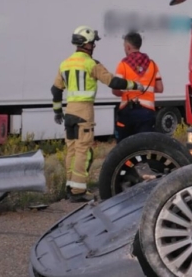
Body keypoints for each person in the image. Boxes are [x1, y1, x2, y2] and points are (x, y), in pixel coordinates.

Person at [52, 26, 149, 202]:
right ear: (86, 44)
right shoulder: (91, 64)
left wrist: (57, 110)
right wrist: (135, 85)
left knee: (72, 151)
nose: (94, 45)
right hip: (84, 112)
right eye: (93, 42)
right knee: (84, 151)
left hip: (70, 112)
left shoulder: (65, 63)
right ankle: (79, 191)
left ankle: (70, 187)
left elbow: (56, 89)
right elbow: (112, 81)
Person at [113, 31, 164, 139]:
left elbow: (115, 90)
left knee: (125, 147)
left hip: (128, 112)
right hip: (147, 112)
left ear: (128, 47)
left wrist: (125, 92)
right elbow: (160, 88)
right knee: (143, 146)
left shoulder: (123, 65)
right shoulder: (153, 64)